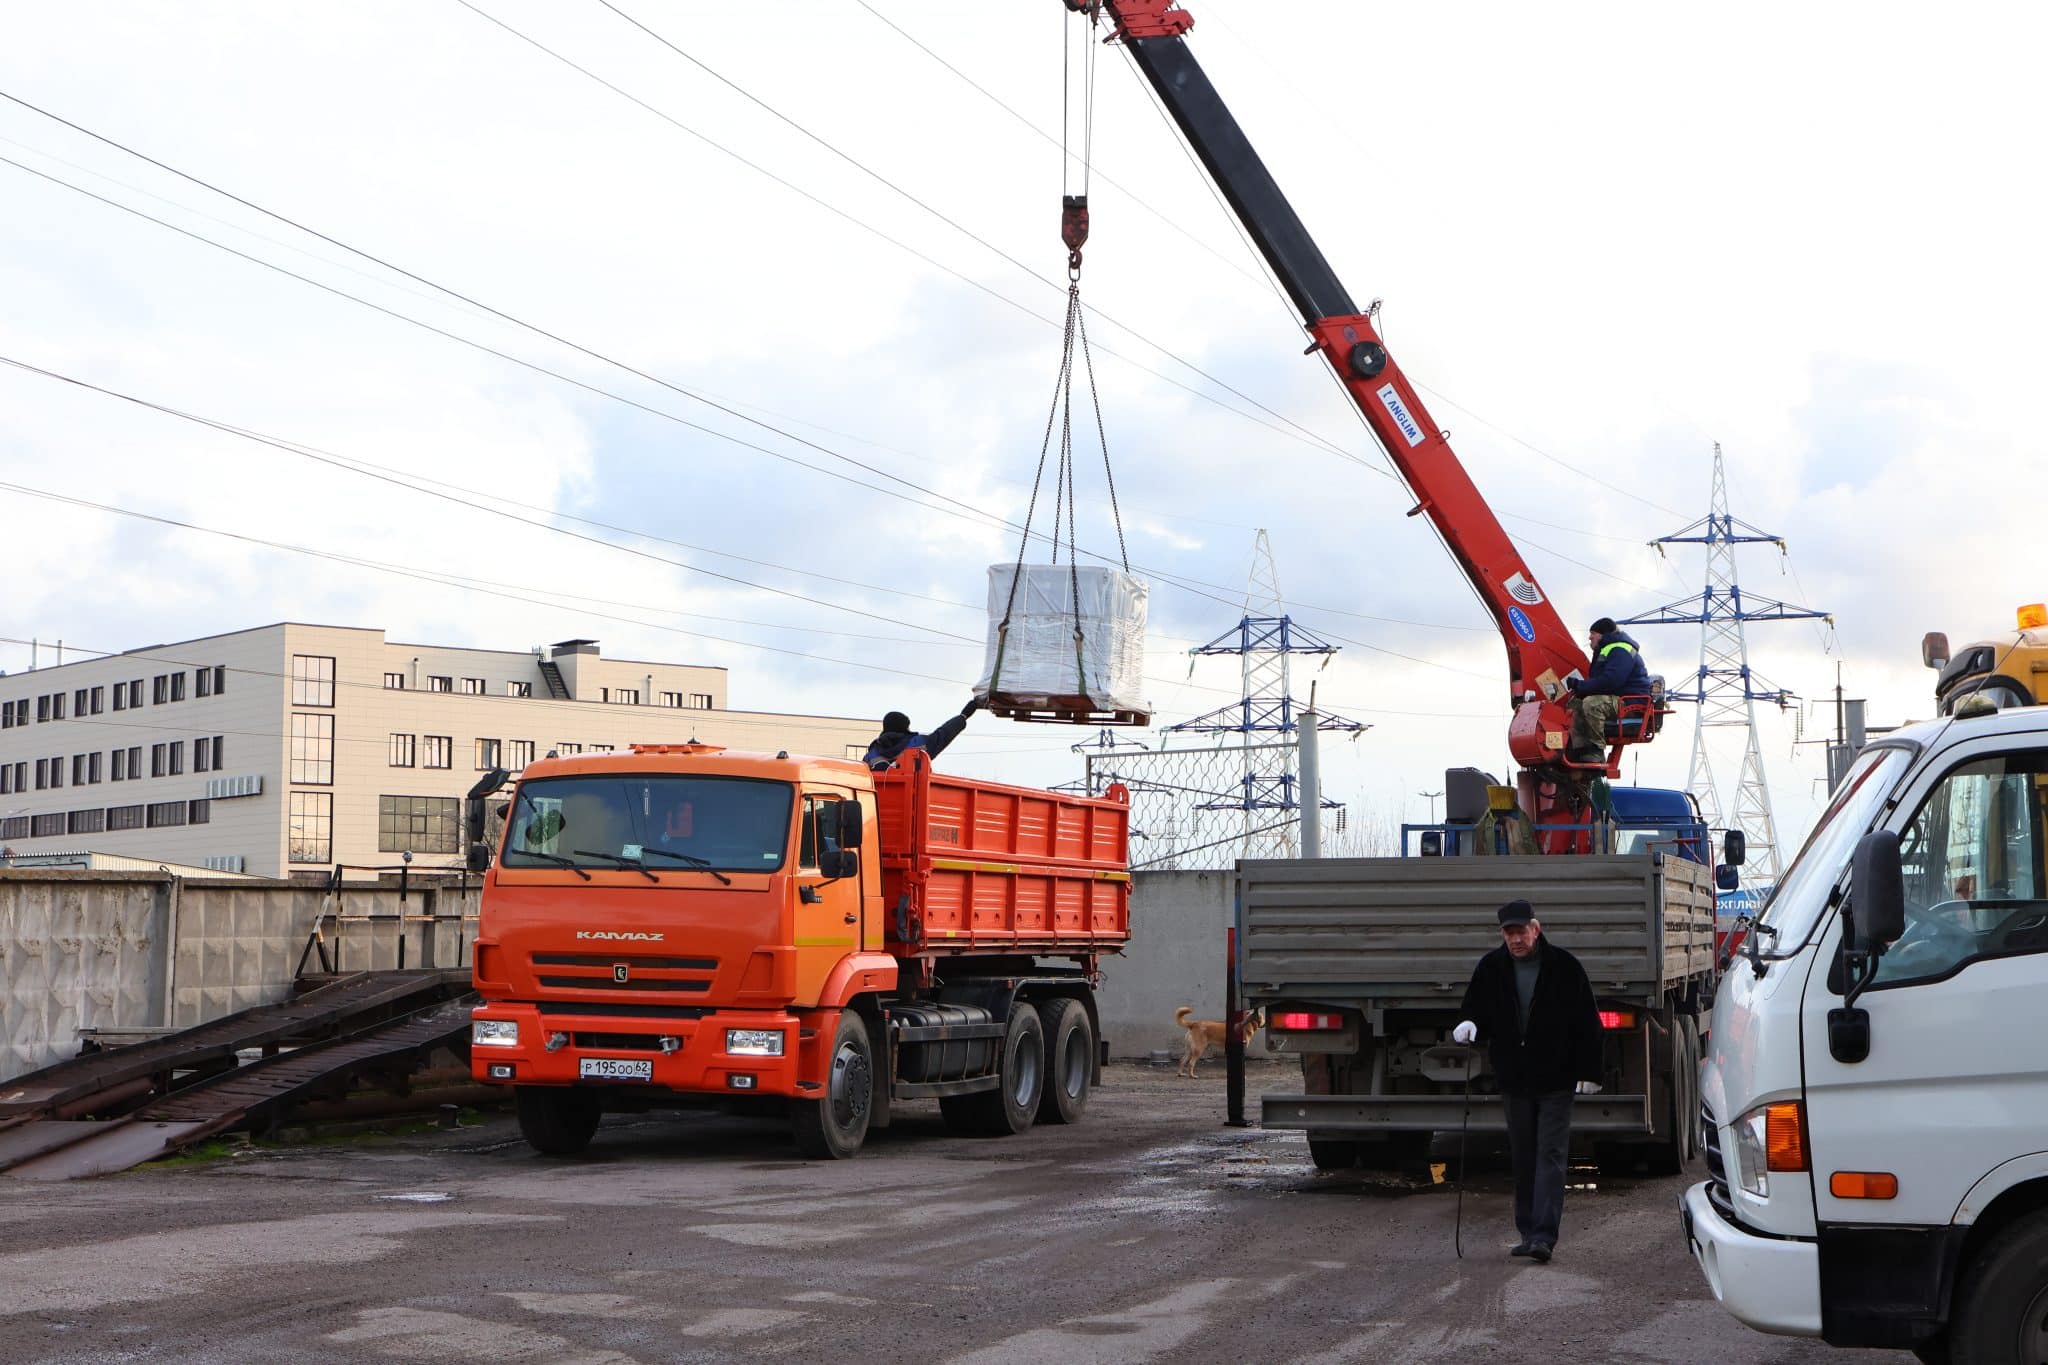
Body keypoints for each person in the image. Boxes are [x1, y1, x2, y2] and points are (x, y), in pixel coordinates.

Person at [1450, 898, 1603, 1263]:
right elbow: (1476, 1006)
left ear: (1536, 928)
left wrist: (1590, 1072)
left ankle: (1544, 1237)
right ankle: (1527, 1230)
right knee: (1522, 1155)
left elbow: (1588, 1021)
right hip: (1514, 1078)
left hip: (1556, 1077)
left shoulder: (1564, 967)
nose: (1515, 939)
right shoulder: (1491, 968)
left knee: (1550, 1153)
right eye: (1508, 933)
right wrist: (1470, 1022)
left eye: (1521, 931)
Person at [1564, 616, 1652, 763]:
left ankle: (1596, 751)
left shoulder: (1621, 649)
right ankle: (1580, 750)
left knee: (1592, 704)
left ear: (1602, 635)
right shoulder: (1607, 650)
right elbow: (1601, 682)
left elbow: (1611, 681)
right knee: (1575, 704)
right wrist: (1581, 690)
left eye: (1593, 633)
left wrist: (1581, 686)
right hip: (1617, 700)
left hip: (1631, 704)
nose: (1589, 637)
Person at [863, 697, 982, 770]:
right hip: (916, 803)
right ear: (905, 727)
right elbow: (943, 734)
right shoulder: (917, 744)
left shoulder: (870, 756)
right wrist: (963, 716)